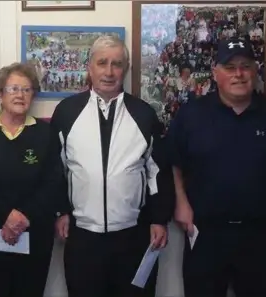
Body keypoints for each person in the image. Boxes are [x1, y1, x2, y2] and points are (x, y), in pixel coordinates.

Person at [167, 37, 266, 297]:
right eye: (230, 67)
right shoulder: (191, 115)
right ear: (215, 73)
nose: (239, 74)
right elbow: (173, 161)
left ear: (255, 70)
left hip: (260, 235)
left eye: (245, 66)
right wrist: (181, 202)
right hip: (205, 234)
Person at [50, 35, 174, 297]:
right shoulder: (66, 112)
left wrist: (159, 219)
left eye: (117, 64)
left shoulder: (143, 114)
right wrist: (61, 210)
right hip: (83, 237)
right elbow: (55, 168)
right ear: (90, 66)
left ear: (125, 69)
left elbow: (157, 172)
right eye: (102, 63)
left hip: (133, 236)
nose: (109, 72)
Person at [0, 62, 65, 297]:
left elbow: (53, 182)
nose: (20, 95)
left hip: (34, 235)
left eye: (26, 89)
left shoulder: (44, 133)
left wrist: (23, 216)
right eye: (13, 89)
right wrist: (6, 217)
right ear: (0, 94)